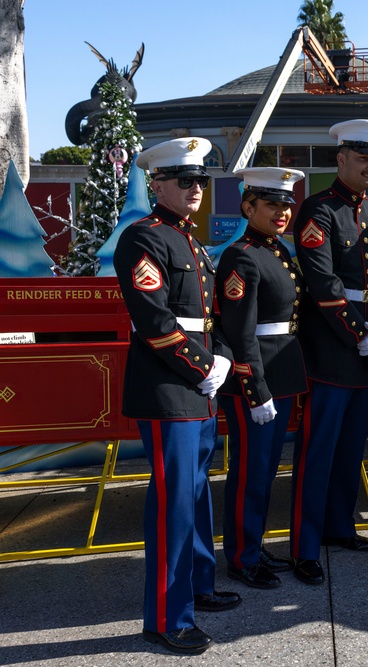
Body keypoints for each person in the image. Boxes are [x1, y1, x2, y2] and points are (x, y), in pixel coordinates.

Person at [113, 138, 240, 656]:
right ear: (156, 184)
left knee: (195, 495)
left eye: (201, 180)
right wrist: (207, 366)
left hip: (199, 388)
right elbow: (156, 322)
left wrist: (223, 359)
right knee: (173, 505)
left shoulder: (192, 243)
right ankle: (167, 618)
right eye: (185, 181)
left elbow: (209, 318)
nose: (195, 189)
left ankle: (198, 586)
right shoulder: (142, 239)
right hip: (171, 387)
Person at [290, 119, 368, 584]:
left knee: (351, 447)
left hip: (367, 344)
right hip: (332, 347)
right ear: (341, 159)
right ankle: (305, 546)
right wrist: (361, 332)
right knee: (319, 451)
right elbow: (324, 285)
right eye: (363, 157)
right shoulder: (318, 211)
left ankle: (338, 526)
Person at [216, 167, 308, 590]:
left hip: (282, 375)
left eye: (286, 204)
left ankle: (252, 544)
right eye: (272, 205)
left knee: (267, 472)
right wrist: (255, 391)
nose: (282, 212)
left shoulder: (278, 251)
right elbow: (238, 331)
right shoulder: (240, 256)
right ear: (247, 207)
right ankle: (240, 557)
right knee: (250, 474)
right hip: (258, 381)